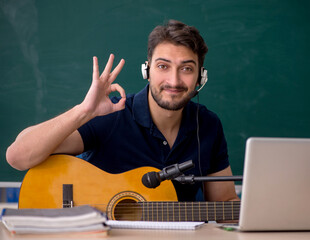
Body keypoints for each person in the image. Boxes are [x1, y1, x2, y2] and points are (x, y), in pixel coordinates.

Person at [6, 20, 239, 203]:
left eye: (186, 68)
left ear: (201, 77)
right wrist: (84, 111)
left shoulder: (208, 125)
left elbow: (225, 202)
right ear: (147, 70)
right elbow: (17, 157)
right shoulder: (111, 115)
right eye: (163, 66)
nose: (174, 80)